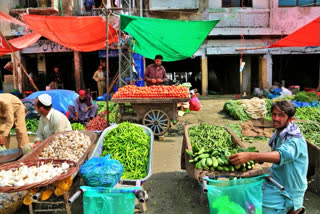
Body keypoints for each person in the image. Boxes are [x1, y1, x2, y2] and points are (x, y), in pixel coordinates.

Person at [229, 101, 308, 214]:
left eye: (281, 115)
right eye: (274, 114)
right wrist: (260, 158)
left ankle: (294, 208)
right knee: (245, 191)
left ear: (290, 119)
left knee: (254, 205)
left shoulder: (294, 140)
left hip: (289, 189)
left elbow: (281, 155)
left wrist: (251, 156)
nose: (276, 118)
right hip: (277, 179)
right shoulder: (280, 133)